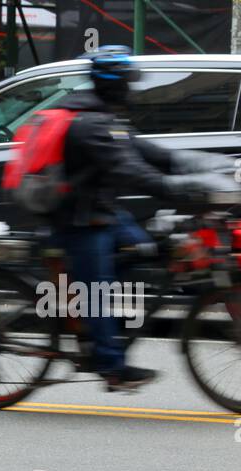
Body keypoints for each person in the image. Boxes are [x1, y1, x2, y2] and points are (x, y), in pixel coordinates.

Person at [47, 46, 194, 390]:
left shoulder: (106, 116)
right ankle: (111, 366)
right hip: (80, 220)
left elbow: (142, 152)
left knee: (144, 249)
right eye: (128, 81)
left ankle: (101, 323)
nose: (132, 88)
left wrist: (192, 164)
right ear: (114, 84)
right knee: (97, 289)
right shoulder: (89, 123)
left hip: (104, 212)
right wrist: (173, 189)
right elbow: (127, 168)